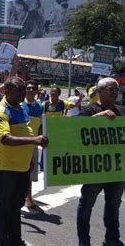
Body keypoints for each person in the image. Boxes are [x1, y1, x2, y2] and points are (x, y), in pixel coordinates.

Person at [0, 77, 48, 246]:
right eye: (20, 91)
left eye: (24, 91)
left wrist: (29, 158)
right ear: (7, 92)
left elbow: (27, 130)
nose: (24, 94)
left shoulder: (21, 106)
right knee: (3, 207)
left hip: (22, 167)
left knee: (16, 206)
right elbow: (5, 139)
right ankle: (1, 240)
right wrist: (33, 141)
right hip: (5, 168)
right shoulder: (0, 111)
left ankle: (15, 238)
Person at [76, 78, 123, 246]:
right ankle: (84, 239)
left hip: (115, 170)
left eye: (116, 90)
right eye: (111, 90)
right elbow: (76, 128)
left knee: (113, 205)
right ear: (99, 92)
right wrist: (101, 115)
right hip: (94, 169)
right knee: (87, 204)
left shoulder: (119, 114)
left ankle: (112, 238)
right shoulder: (89, 110)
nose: (114, 93)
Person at [22, 79, 44, 213]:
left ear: (37, 91)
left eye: (33, 88)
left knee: (30, 173)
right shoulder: (19, 104)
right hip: (20, 144)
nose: (30, 90)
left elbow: (41, 126)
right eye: (28, 88)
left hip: (34, 145)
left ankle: (29, 199)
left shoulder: (40, 106)